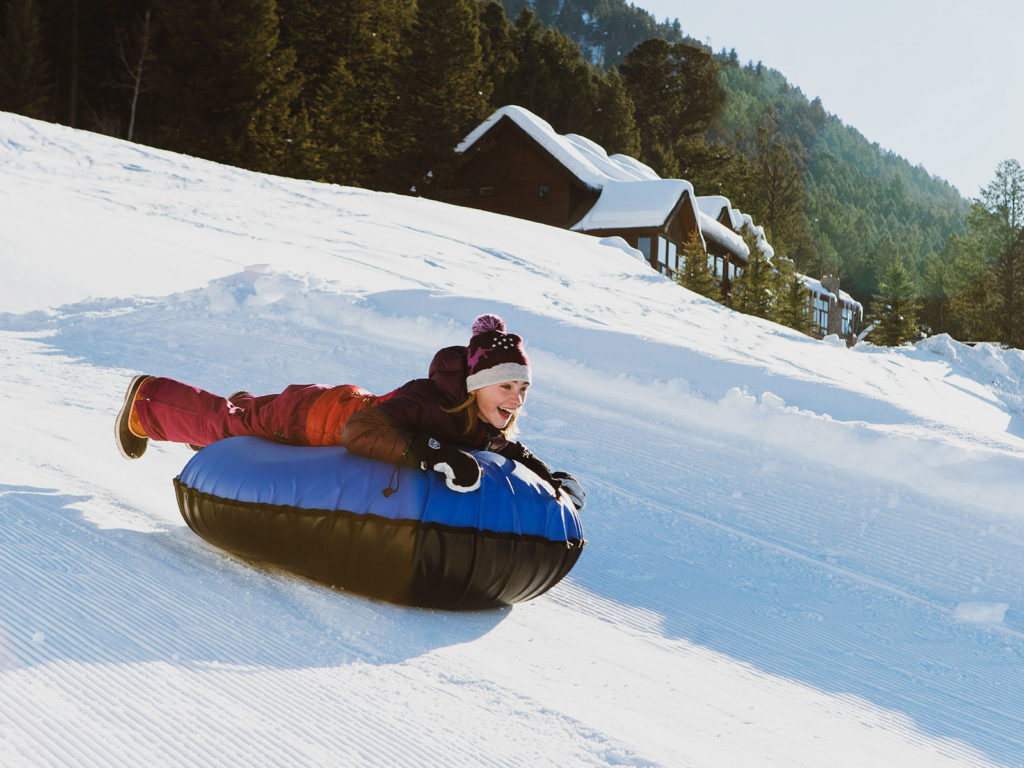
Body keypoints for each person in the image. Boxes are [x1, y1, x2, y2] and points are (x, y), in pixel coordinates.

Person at [114, 313, 585, 509]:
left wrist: (549, 475)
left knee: (243, 424)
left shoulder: (479, 417)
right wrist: (429, 453)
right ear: (478, 385)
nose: (516, 399)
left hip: (332, 412)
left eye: (522, 388)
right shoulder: (428, 399)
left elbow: (506, 448)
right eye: (506, 386)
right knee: (225, 424)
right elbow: (361, 430)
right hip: (314, 416)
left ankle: (248, 412)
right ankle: (148, 401)